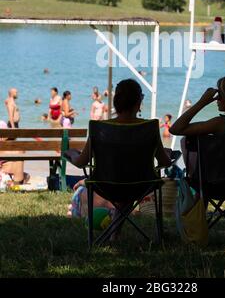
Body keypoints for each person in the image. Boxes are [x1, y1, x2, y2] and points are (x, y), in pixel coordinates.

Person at [64, 79, 171, 240]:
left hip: (106, 184)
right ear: (139, 101)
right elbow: (164, 162)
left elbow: (81, 162)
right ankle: (114, 234)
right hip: (141, 185)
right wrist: (170, 154)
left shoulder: (99, 128)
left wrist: (71, 154)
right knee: (128, 187)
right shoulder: (149, 127)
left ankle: (113, 235)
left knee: (123, 186)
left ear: (116, 102)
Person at [170, 75, 225, 178]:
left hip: (218, 181)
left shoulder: (221, 123)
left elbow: (175, 129)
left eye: (220, 95)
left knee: (187, 140)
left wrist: (202, 102)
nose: (216, 99)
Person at [1, 90, 29, 184]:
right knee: (14, 148)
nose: (17, 93)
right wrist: (13, 128)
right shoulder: (10, 102)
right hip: (13, 126)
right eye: (15, 92)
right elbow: (10, 116)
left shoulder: (11, 101)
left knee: (14, 149)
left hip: (14, 126)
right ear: (11, 93)